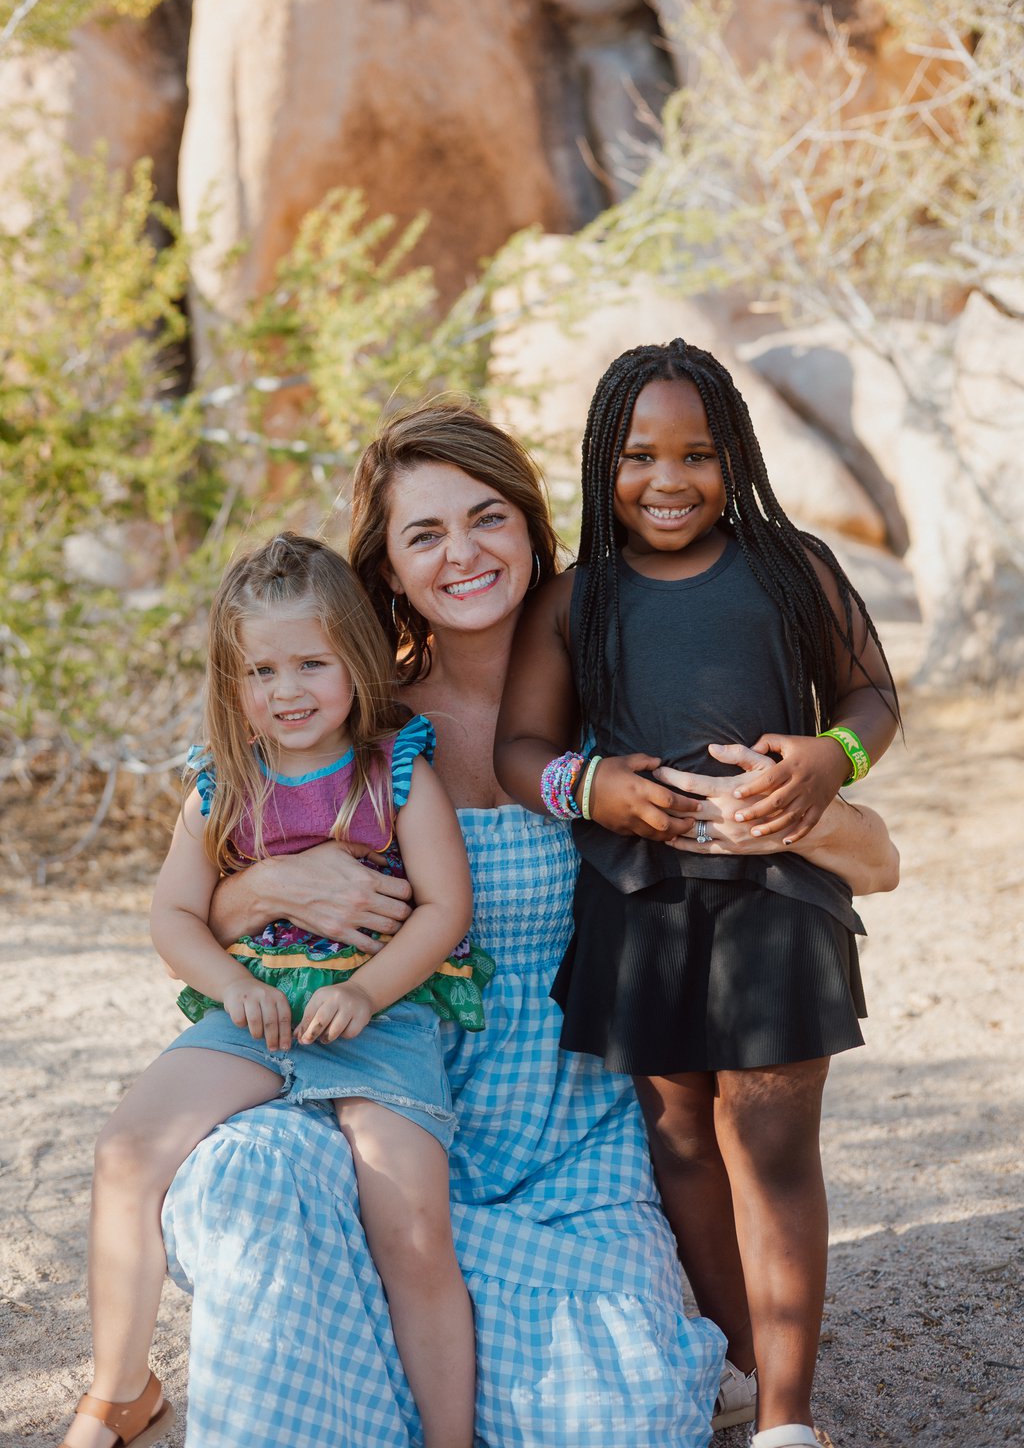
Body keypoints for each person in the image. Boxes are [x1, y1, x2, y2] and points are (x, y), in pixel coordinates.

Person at [160, 402, 900, 1448]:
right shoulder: (353, 725)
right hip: (385, 1113)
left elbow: (880, 862)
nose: (461, 554)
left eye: (487, 518)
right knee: (261, 1196)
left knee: (618, 1416)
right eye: (424, 534)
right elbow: (204, 903)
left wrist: (786, 807)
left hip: (569, 1138)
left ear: (533, 528)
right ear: (388, 565)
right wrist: (266, 892)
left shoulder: (620, 710)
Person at [494, 340, 901, 1448]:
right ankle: (727, 1351)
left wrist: (833, 759)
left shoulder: (791, 569)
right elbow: (517, 746)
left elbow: (871, 692)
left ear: (737, 459)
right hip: (638, 903)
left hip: (777, 893)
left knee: (771, 1145)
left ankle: (786, 1414)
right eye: (636, 455)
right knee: (678, 1140)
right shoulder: (576, 600)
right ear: (599, 463)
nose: (666, 480)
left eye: (697, 454)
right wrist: (588, 786)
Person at [60, 533, 478, 1448]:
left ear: (355, 663)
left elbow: (445, 909)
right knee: (129, 1150)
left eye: (311, 664)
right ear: (232, 681)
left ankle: (449, 1437)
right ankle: (118, 1392)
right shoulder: (222, 786)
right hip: (252, 1017)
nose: (287, 692)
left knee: (411, 1223)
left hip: (380, 1020)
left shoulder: (394, 772)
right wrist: (227, 985)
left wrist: (367, 991)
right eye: (261, 671)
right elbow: (175, 916)